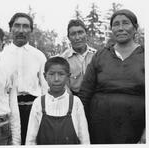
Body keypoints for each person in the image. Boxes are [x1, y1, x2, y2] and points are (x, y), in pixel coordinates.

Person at [77, 9, 145, 144]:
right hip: (99, 127)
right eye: (116, 24)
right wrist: (81, 127)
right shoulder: (100, 56)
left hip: (135, 128)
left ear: (135, 28)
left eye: (125, 23)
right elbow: (85, 93)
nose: (120, 28)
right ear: (111, 29)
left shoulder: (144, 56)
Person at [0, 12, 48, 145]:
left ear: (31, 30)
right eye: (17, 26)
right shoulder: (1, 56)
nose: (21, 30)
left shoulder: (39, 56)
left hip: (34, 108)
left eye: (25, 26)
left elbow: (45, 87)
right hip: (8, 110)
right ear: (10, 29)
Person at [25, 56, 90, 145]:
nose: (56, 79)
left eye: (61, 74)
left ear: (68, 76)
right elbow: (30, 139)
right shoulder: (38, 103)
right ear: (44, 76)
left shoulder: (76, 102)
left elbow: (84, 137)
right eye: (51, 74)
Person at [61, 19, 96, 94]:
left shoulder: (97, 55)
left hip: (96, 98)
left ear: (86, 34)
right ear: (68, 37)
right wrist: (73, 102)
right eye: (73, 34)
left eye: (80, 33)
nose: (77, 37)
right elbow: (63, 85)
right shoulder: (63, 60)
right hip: (74, 98)